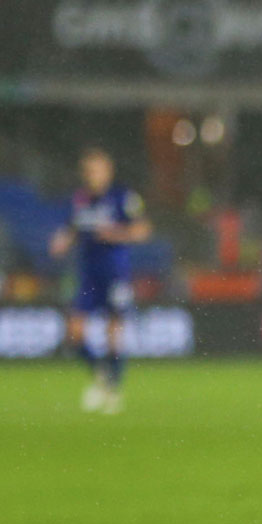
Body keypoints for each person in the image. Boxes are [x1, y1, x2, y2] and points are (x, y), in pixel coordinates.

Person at [49, 147, 150, 414]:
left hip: (116, 274)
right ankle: (103, 376)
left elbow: (142, 230)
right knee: (74, 332)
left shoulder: (123, 197)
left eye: (96, 170)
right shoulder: (79, 200)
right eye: (87, 171)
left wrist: (117, 233)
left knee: (113, 333)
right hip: (87, 275)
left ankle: (113, 390)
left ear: (108, 171)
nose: (91, 175)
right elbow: (71, 228)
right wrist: (62, 241)